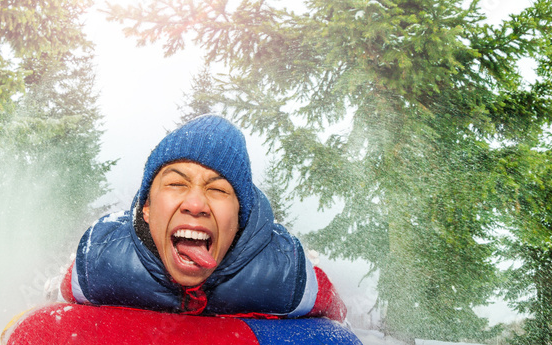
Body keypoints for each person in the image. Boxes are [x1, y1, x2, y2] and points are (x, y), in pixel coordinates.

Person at [60, 114, 346, 320]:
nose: (196, 204)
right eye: (176, 184)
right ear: (147, 208)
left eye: (218, 189)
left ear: (239, 218)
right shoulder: (104, 258)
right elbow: (63, 294)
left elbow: (334, 307)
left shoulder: (281, 272)